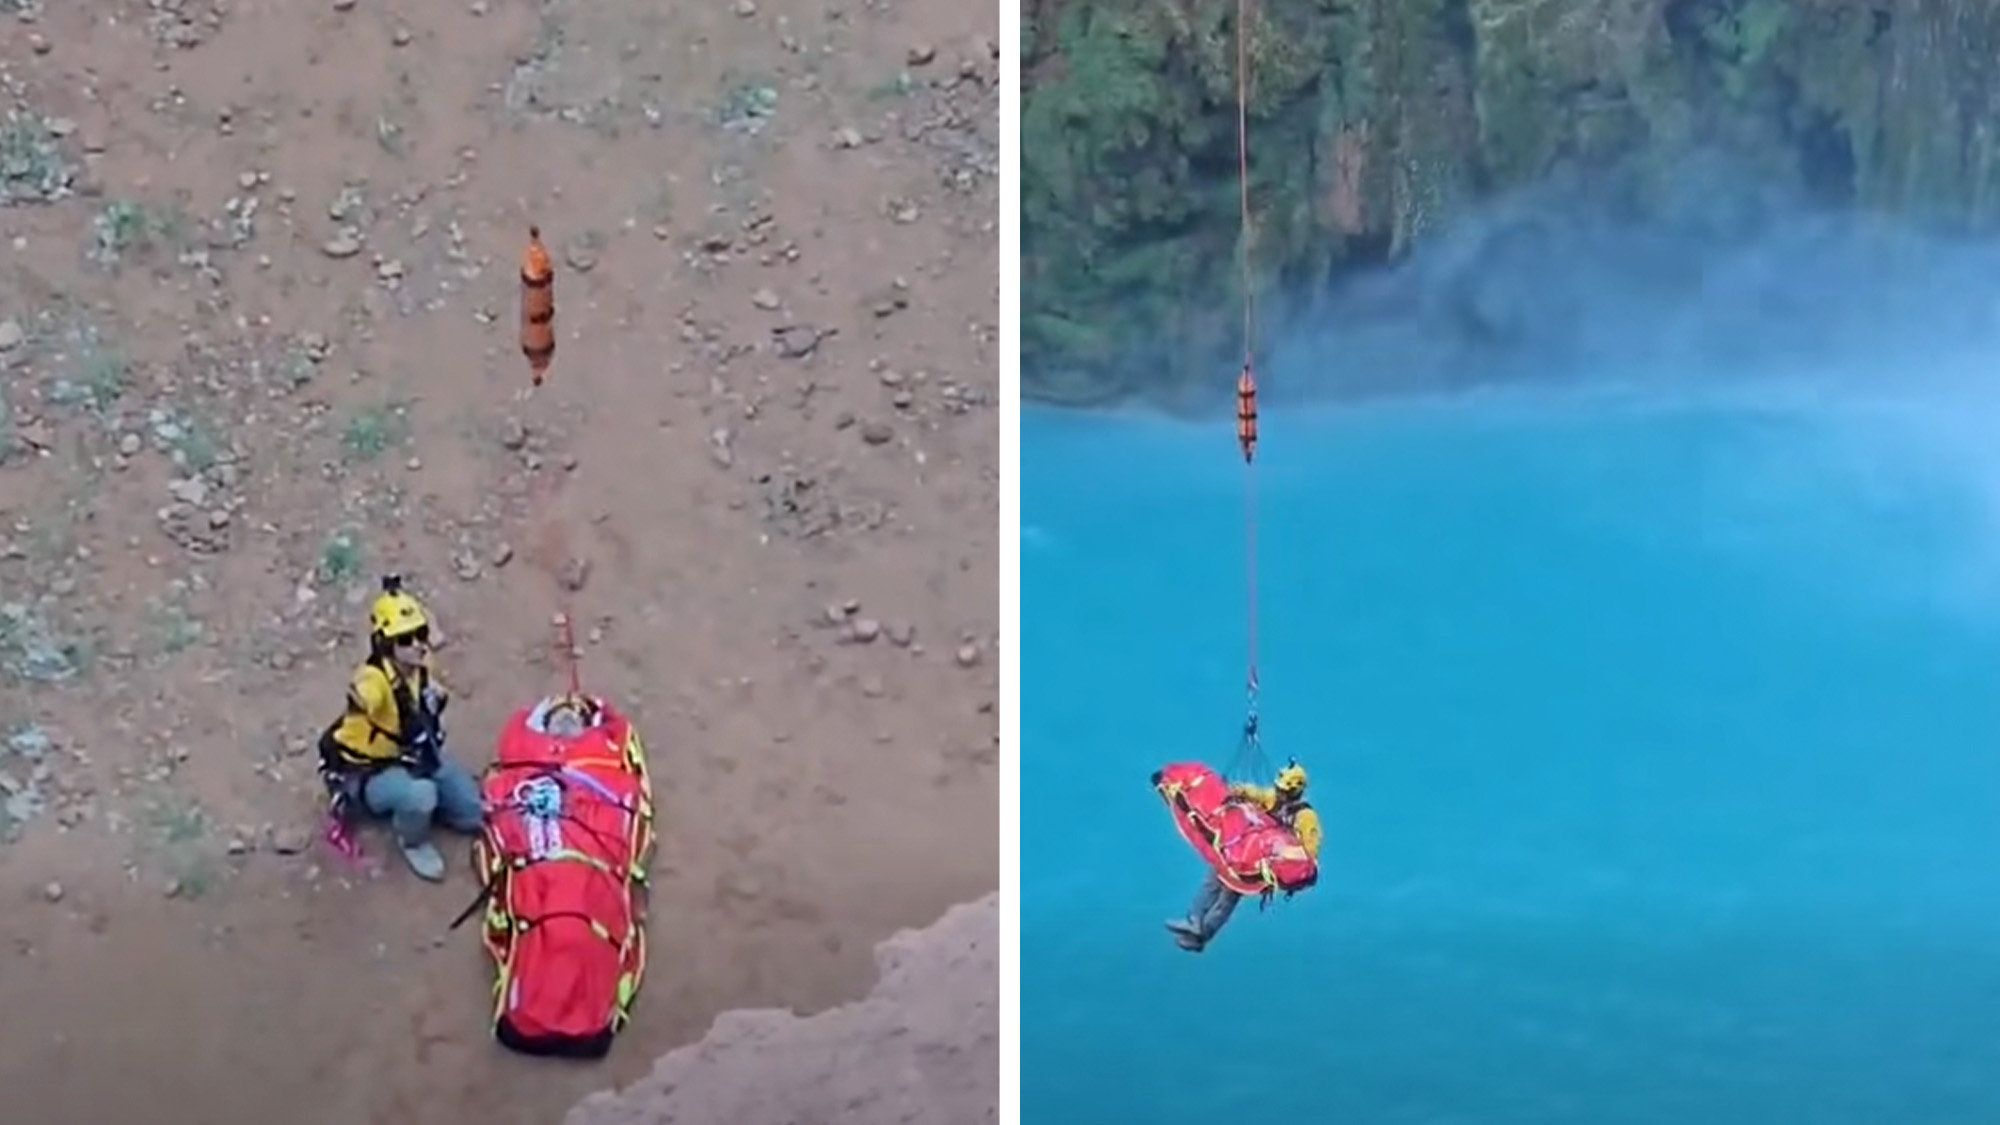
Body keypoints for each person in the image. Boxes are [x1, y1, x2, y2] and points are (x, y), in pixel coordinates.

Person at [318, 576, 484, 881]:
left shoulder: (420, 666)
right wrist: (361, 700)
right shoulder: (374, 679)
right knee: (421, 795)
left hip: (413, 752)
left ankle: (439, 808)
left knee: (474, 812)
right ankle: (413, 840)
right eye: (405, 639)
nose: (418, 645)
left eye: (420, 634)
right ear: (385, 644)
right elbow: (364, 692)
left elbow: (425, 692)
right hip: (371, 771)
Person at [1166, 760, 1320, 953]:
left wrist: (1282, 855)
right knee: (1213, 879)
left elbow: (1309, 853)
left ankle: (1202, 934)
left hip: (1258, 866)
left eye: (1284, 792)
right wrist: (1236, 792)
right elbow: (1256, 794)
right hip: (1243, 851)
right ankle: (1195, 920)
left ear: (1296, 791)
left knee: (1228, 896)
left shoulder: (1306, 818)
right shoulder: (1273, 799)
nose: (1279, 794)